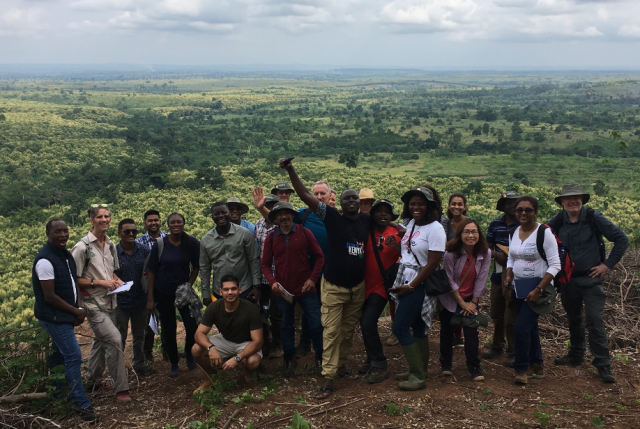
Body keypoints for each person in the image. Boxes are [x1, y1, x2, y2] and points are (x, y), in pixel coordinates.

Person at [281, 158, 368, 399]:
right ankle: (328, 377)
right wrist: (291, 170)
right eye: (347, 198)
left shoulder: (364, 221)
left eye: (355, 198)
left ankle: (340, 366)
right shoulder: (331, 217)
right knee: (331, 331)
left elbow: (384, 222)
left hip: (357, 288)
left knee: (348, 331)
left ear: (359, 204)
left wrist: (399, 227)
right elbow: (305, 195)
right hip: (334, 286)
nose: (351, 201)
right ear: (337, 202)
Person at [548, 184, 628, 384]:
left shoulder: (593, 217)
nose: (572, 201)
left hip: (591, 279)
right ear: (562, 202)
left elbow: (621, 239)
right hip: (567, 280)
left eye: (576, 198)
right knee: (573, 318)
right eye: (568, 198)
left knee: (594, 319)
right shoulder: (558, 221)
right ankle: (576, 355)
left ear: (582, 200)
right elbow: (541, 239)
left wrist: (606, 265)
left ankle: (603, 364)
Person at [33, 219, 97, 422]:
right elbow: (49, 296)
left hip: (64, 314)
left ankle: (59, 395)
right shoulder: (45, 260)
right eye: (57, 231)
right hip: (53, 317)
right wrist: (75, 311)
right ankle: (81, 403)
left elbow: (72, 283)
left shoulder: (65, 255)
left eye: (65, 231)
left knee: (59, 356)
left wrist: (78, 307)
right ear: (48, 233)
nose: (63, 235)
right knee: (73, 355)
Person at [389, 186, 446, 391]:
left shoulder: (436, 229)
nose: (416, 207)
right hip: (407, 279)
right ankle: (420, 369)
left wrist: (411, 286)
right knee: (418, 328)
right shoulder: (412, 224)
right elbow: (409, 250)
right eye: (412, 203)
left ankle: (417, 375)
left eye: (421, 203)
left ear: (430, 205)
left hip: (419, 284)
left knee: (400, 327)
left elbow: (432, 263)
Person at [71, 205, 130, 401]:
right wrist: (100, 282)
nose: (104, 220)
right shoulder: (82, 248)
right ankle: (121, 389)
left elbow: (111, 271)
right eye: (99, 217)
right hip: (92, 303)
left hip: (110, 301)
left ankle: (93, 381)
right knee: (114, 339)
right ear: (91, 220)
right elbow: (74, 279)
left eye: (106, 216)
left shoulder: (111, 244)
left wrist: (117, 281)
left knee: (100, 340)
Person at [261, 202, 325, 377]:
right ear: (275, 218)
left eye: (287, 213)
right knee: (286, 326)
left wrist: (313, 279)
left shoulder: (304, 232)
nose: (284, 217)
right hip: (283, 292)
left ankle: (320, 357)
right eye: (280, 214)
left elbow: (320, 257)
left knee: (317, 324)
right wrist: (272, 281)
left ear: (292, 215)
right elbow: (265, 264)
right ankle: (289, 358)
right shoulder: (272, 237)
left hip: (306, 289)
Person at [504, 196, 560, 385]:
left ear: (535, 212)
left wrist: (538, 289)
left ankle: (521, 368)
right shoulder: (513, 232)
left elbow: (555, 265)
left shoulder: (544, 233)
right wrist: (509, 274)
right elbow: (511, 258)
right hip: (519, 287)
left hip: (537, 289)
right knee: (530, 327)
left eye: (528, 210)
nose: (523, 213)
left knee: (521, 328)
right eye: (520, 210)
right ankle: (537, 364)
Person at [145, 213, 201, 378]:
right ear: (167, 225)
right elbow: (151, 271)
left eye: (179, 222)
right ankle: (174, 362)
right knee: (169, 329)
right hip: (163, 292)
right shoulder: (160, 244)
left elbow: (197, 267)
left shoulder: (191, 242)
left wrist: (188, 285)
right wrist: (150, 298)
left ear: (184, 223)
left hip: (183, 293)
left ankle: (189, 355)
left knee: (191, 326)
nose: (176, 225)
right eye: (172, 222)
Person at [192, 274, 263, 391]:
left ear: (239, 290)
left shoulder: (251, 309)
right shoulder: (214, 307)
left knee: (253, 362)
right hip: (225, 339)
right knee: (196, 349)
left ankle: (248, 370)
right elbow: (198, 334)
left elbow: (258, 341)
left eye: (233, 289)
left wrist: (237, 358)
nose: (230, 292)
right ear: (220, 291)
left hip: (246, 342)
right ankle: (211, 377)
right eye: (226, 289)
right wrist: (211, 348)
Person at [440, 219, 491, 382]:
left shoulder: (485, 252)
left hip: (470, 297)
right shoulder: (451, 253)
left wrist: (473, 303)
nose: (471, 235)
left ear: (479, 234)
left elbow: (482, 278)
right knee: (447, 331)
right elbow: (449, 279)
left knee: (471, 332)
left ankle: (474, 366)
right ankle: (446, 364)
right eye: (466, 232)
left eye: (474, 231)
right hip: (450, 297)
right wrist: (461, 303)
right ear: (460, 234)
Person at [358, 199, 402, 384]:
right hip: (363, 286)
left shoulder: (398, 233)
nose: (383, 214)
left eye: (387, 211)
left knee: (368, 322)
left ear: (392, 215)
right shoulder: (366, 232)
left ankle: (379, 363)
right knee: (364, 322)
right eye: (379, 211)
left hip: (382, 287)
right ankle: (371, 357)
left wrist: (397, 247)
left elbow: (411, 256)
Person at [113, 219, 155, 377]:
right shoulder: (113, 252)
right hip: (120, 302)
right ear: (119, 233)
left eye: (134, 232)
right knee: (119, 336)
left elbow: (150, 275)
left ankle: (139, 363)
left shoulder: (144, 250)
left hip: (140, 300)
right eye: (127, 231)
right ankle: (118, 366)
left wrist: (150, 298)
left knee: (139, 334)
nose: (131, 234)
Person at [483, 191, 520, 367]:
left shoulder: (525, 224)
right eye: (508, 203)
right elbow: (486, 248)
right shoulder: (495, 224)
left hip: (517, 276)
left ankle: (514, 351)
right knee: (496, 314)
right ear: (503, 206)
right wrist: (496, 254)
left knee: (510, 317)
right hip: (498, 275)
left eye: (515, 203)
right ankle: (497, 346)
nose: (512, 206)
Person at [200, 202, 262, 305]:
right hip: (220, 290)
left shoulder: (244, 233)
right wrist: (205, 294)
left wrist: (256, 286)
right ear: (212, 217)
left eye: (224, 212)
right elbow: (204, 268)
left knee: (247, 319)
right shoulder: (206, 240)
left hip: (244, 287)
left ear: (229, 213)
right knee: (223, 320)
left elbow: (253, 259)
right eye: (216, 214)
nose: (220, 216)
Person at [252, 189, 283, 358]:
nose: (269, 209)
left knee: (276, 313)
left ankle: (279, 345)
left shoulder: (281, 226)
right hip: (261, 278)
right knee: (261, 312)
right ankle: (266, 343)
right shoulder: (258, 224)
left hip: (277, 278)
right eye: (267, 206)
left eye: (272, 206)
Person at [136, 209, 169, 363]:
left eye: (156, 220)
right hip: (147, 288)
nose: (153, 223)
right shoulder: (139, 243)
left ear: (160, 221)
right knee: (148, 322)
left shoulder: (168, 239)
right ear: (145, 223)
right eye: (150, 220)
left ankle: (167, 351)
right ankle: (147, 353)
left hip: (166, 287)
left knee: (167, 320)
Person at [440, 193, 470, 348]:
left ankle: (460, 335)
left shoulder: (470, 223)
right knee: (451, 297)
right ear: (449, 206)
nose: (456, 207)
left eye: (459, 204)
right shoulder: (446, 224)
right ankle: (453, 335)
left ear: (464, 206)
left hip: (466, 266)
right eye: (453, 204)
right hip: (450, 266)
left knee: (463, 296)